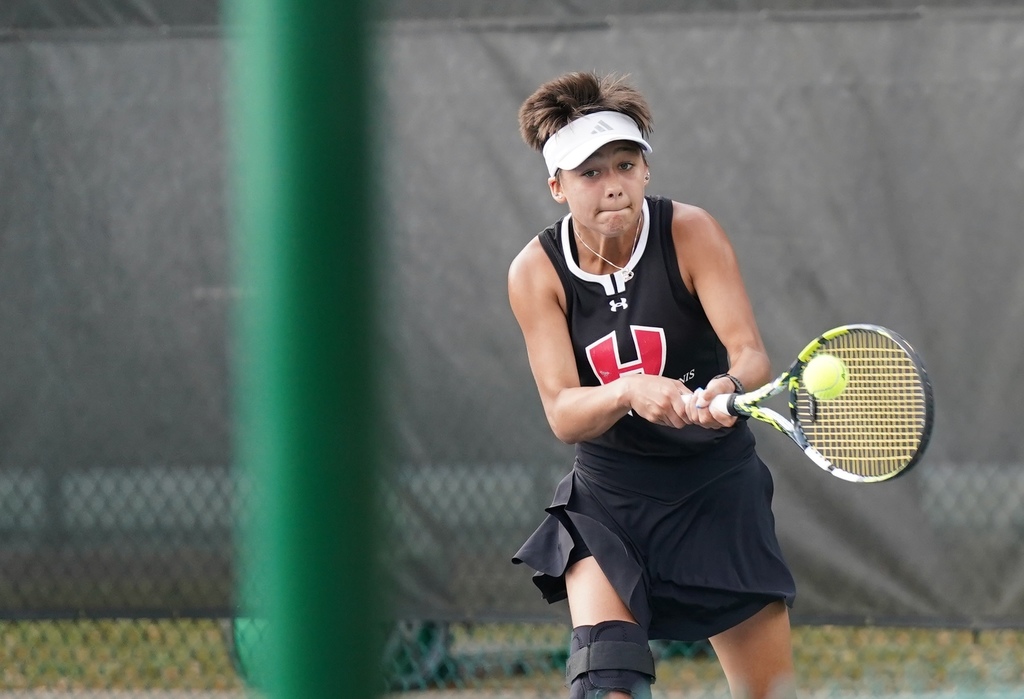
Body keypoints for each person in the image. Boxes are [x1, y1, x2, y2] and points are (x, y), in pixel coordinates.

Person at [508, 71, 798, 699]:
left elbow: (750, 354)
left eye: (625, 165)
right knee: (605, 684)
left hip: (717, 492)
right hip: (610, 502)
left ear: (645, 170)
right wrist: (628, 391)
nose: (612, 184)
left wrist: (725, 387)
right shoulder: (536, 272)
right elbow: (563, 412)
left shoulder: (690, 232)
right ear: (557, 186)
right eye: (590, 172)